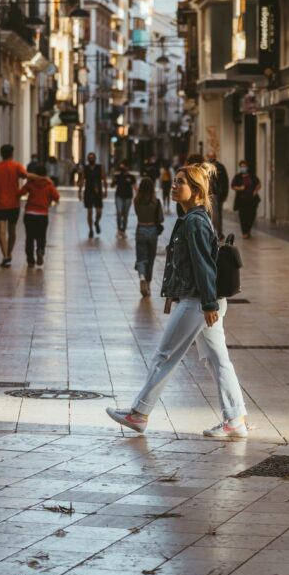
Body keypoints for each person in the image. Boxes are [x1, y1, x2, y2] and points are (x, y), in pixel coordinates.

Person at [106, 161, 248, 440]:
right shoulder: (194, 217)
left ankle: (139, 413)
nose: (174, 185)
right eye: (174, 181)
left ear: (196, 191)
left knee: (164, 356)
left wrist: (207, 304)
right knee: (217, 360)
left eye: (180, 182)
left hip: (198, 302)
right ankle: (235, 419)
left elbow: (204, 266)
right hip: (202, 300)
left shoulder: (194, 221)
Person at [0, 144, 27, 268]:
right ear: (12, 153)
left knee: (1, 231)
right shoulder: (17, 166)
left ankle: (5, 256)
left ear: (1, 153)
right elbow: (26, 177)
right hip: (14, 204)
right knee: (12, 231)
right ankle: (9, 253)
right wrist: (20, 193)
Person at [18, 163, 60, 267]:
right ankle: (40, 250)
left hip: (30, 213)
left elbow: (20, 193)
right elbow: (57, 196)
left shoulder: (31, 183)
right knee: (41, 236)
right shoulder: (48, 184)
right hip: (42, 214)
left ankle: (30, 261)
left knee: (30, 237)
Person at [133, 176, 164, 298]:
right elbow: (161, 219)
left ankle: (142, 277)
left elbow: (137, 213)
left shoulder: (136, 201)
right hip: (152, 231)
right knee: (150, 260)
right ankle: (149, 284)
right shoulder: (156, 202)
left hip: (140, 229)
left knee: (141, 258)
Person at [78, 152, 107, 238]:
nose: (91, 159)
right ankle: (91, 229)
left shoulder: (99, 167)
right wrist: (79, 191)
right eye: (90, 158)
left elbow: (104, 179)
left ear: (95, 158)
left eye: (93, 157)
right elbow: (82, 180)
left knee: (99, 211)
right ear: (88, 159)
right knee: (89, 212)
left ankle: (97, 222)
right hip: (88, 191)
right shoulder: (85, 168)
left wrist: (105, 190)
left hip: (98, 191)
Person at [231, 160, 261, 239]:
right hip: (242, 199)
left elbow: (258, 184)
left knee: (251, 215)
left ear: (247, 167)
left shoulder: (252, 176)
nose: (243, 168)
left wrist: (255, 191)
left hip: (251, 199)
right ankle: (244, 232)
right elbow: (233, 185)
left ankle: (248, 230)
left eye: (244, 166)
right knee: (243, 216)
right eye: (241, 167)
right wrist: (239, 188)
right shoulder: (237, 176)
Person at [111, 160, 136, 237]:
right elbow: (112, 186)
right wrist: (113, 180)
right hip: (119, 196)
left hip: (128, 197)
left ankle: (123, 231)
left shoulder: (131, 177)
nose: (121, 167)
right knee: (119, 212)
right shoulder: (117, 176)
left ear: (127, 167)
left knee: (125, 215)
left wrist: (137, 196)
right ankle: (119, 230)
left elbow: (135, 187)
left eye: (123, 166)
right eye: (121, 166)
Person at [208, 152, 229, 238]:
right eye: (210, 156)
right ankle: (212, 232)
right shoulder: (205, 167)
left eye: (213, 156)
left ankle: (218, 232)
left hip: (217, 194)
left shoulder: (220, 167)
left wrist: (225, 194)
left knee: (217, 214)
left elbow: (225, 181)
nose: (211, 157)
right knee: (210, 213)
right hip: (209, 194)